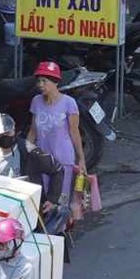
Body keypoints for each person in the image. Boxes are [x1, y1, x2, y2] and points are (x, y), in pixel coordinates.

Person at [25, 61, 87, 224]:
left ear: (56, 83)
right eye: (39, 81)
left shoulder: (69, 103)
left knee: (61, 201)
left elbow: (75, 132)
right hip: (43, 159)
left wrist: (81, 159)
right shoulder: (36, 101)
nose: (41, 85)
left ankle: (61, 232)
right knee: (45, 198)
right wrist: (25, 150)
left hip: (64, 159)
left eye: (45, 81)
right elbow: (33, 130)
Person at [0, 112, 47, 183]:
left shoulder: (30, 150)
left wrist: (51, 194)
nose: (4, 137)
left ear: (14, 131)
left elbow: (55, 169)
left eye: (7, 133)